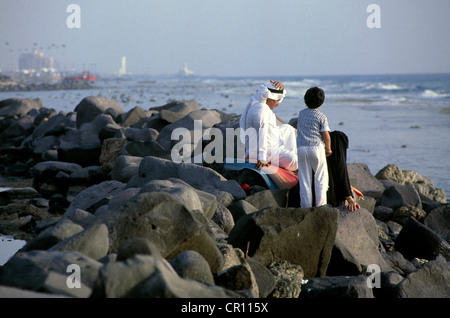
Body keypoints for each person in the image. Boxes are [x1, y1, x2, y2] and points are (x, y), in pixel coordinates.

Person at [239, 80, 298, 171]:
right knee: (295, 160)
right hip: (264, 151)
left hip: (270, 142)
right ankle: (289, 164)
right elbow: (261, 131)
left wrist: (282, 88)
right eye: (277, 100)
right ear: (269, 97)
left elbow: (277, 97)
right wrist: (262, 158)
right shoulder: (261, 109)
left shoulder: (260, 104)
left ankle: (284, 156)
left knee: (288, 129)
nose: (278, 103)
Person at [296, 87, 331, 208]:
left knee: (304, 180)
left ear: (305, 100)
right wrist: (328, 149)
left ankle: (305, 207)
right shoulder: (321, 116)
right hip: (316, 148)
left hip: (301, 149)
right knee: (320, 178)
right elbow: (326, 135)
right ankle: (321, 207)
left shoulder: (301, 114)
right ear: (322, 102)